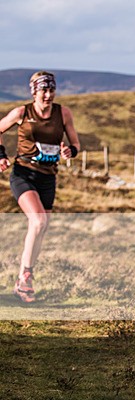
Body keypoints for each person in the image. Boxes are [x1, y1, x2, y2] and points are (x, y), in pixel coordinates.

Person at [0, 71, 80, 303]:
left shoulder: (63, 113)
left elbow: (75, 143)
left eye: (51, 90)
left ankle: (24, 276)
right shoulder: (21, 113)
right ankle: (25, 279)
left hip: (48, 178)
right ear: (33, 92)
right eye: (43, 90)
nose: (48, 95)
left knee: (40, 228)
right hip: (24, 174)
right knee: (38, 221)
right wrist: (1, 155)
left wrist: (70, 151)